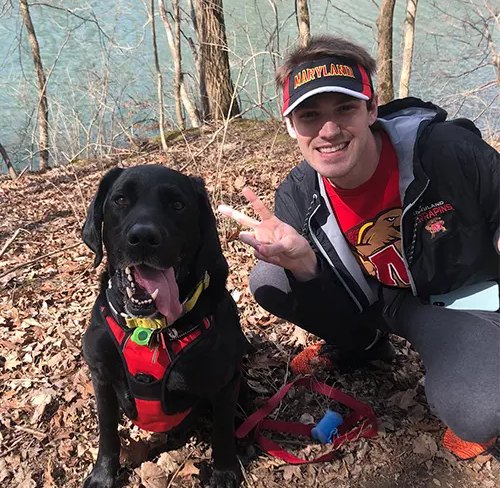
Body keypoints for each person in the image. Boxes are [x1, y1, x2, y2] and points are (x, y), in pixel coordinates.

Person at [218, 35, 500, 460]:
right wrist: (305, 266)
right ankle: (364, 348)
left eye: (345, 109)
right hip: (381, 300)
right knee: (272, 277)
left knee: (478, 410)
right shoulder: (297, 197)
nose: (329, 131)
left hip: (458, 300)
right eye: (310, 115)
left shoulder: (445, 151)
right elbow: (326, 294)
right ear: (291, 125)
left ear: (371, 108)